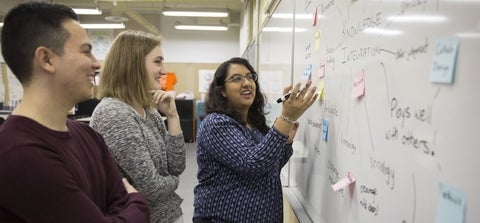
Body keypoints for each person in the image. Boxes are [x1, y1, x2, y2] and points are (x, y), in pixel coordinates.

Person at [0, 2, 150, 223]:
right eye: (86, 51)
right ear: (46, 59)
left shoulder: (89, 137)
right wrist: (138, 201)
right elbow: (128, 203)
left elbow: (117, 202)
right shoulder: (20, 154)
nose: (97, 64)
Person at [193, 57, 318, 222]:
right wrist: (286, 118)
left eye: (250, 76)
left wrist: (285, 141)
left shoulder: (254, 125)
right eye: (237, 78)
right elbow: (252, 164)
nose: (247, 83)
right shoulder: (216, 123)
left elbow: (270, 166)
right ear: (222, 90)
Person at [89, 30, 186, 223]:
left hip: (168, 214)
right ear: (133, 65)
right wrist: (174, 182)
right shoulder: (115, 113)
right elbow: (153, 189)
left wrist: (172, 116)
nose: (164, 70)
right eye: (157, 62)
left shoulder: (148, 110)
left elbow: (177, 165)